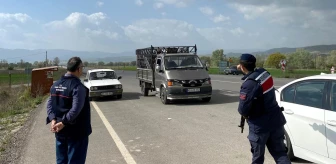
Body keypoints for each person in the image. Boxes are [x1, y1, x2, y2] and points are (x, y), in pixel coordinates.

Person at [236, 53, 291, 164]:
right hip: (275, 121)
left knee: (258, 159)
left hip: (260, 126)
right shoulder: (265, 73)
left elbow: (242, 109)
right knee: (280, 154)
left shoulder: (249, 84)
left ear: (242, 66)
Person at [46, 56, 92, 164]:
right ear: (79, 69)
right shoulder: (77, 87)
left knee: (61, 161)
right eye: (82, 67)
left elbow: (49, 104)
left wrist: (53, 119)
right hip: (76, 133)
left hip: (60, 132)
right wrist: (63, 122)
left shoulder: (55, 85)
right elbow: (76, 109)